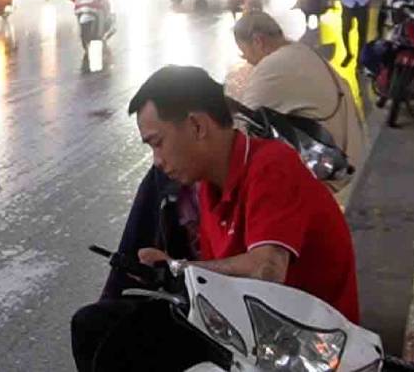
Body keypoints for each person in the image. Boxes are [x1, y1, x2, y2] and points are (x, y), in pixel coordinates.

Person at [71, 66, 359, 372]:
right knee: (95, 325)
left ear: (196, 126)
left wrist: (178, 268)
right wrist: (165, 275)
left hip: (307, 344)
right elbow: (218, 284)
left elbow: (267, 270)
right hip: (254, 331)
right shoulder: (207, 188)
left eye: (158, 143)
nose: (157, 160)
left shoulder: (272, 165)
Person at [232, 11, 366, 175]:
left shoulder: (272, 66)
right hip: (351, 152)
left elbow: (242, 127)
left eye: (245, 54)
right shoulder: (302, 51)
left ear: (258, 41)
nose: (249, 62)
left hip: (331, 168)